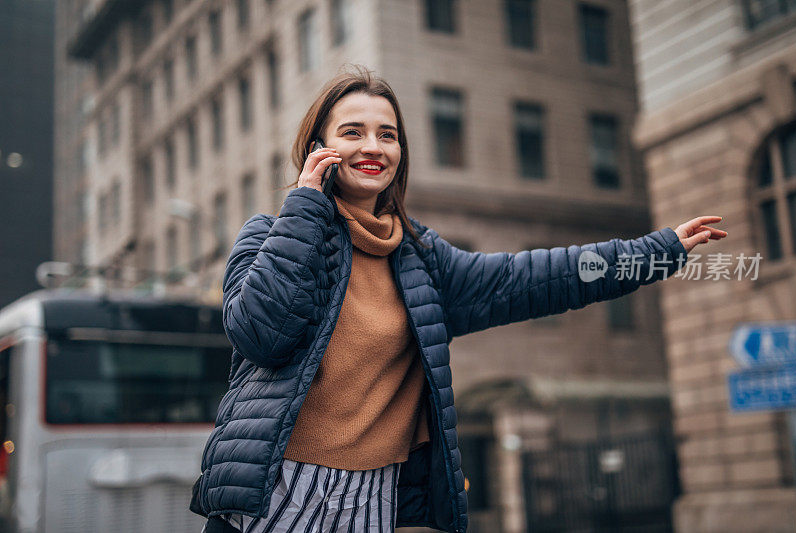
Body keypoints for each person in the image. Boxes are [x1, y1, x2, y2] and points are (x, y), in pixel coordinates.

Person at [193, 65, 727, 533]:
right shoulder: (272, 234)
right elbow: (259, 334)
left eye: (388, 135)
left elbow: (532, 278)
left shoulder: (421, 259)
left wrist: (657, 251)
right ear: (318, 149)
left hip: (371, 499)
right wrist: (306, 208)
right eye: (352, 132)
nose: (373, 147)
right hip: (276, 490)